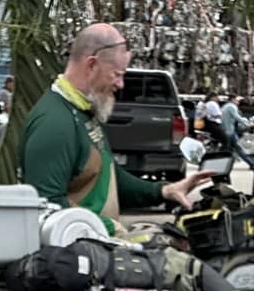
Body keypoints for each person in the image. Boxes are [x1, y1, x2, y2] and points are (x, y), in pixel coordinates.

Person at [17, 23, 212, 233]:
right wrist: (110, 228)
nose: (121, 84)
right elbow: (48, 210)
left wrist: (164, 191)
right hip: (77, 250)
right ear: (92, 65)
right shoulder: (55, 123)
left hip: (96, 245)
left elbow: (108, 178)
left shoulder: (83, 111)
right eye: (117, 74)